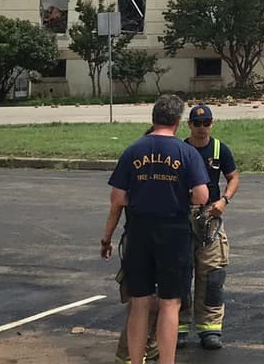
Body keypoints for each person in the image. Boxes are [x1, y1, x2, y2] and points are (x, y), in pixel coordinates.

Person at [105, 95, 210, 364]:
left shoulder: (133, 150)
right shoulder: (186, 152)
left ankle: (135, 359)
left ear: (153, 119)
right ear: (178, 122)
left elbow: (117, 198)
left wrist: (107, 237)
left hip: (139, 231)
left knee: (139, 303)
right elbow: (201, 195)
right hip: (173, 232)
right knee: (170, 302)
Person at [178, 104, 240, 351]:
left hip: (211, 216)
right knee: (181, 273)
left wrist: (224, 200)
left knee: (213, 274)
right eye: (197, 124)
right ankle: (180, 326)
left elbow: (234, 176)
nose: (202, 128)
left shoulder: (219, 149)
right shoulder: (180, 149)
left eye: (206, 123)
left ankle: (210, 329)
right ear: (189, 125)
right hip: (183, 217)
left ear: (211, 124)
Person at [104, 127, 160, 364]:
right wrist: (106, 238)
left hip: (149, 241)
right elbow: (117, 203)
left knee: (156, 299)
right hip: (143, 241)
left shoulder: (139, 162)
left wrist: (106, 240)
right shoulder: (136, 165)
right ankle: (127, 353)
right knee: (143, 300)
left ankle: (150, 344)